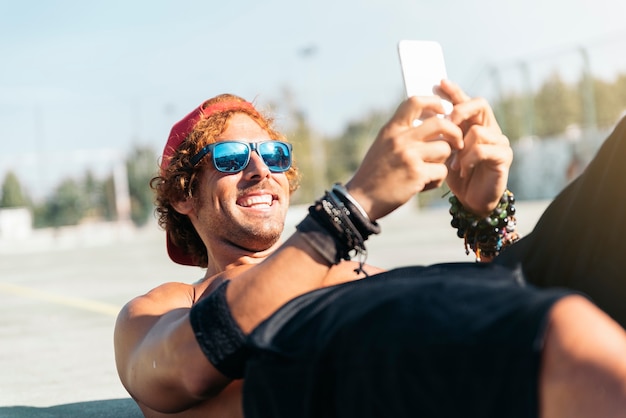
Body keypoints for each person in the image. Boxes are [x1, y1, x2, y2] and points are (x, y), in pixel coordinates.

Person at [114, 80, 626, 418]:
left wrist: (484, 213)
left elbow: (498, 295)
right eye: (228, 157)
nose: (260, 169)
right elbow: (178, 370)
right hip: (358, 351)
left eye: (272, 153)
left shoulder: (351, 269)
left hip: (459, 297)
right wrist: (353, 205)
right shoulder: (172, 302)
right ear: (182, 194)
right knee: (565, 335)